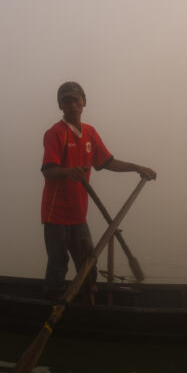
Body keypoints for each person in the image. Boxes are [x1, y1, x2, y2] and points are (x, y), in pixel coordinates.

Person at [40, 81, 156, 299]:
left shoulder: (90, 133)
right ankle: (54, 300)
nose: (72, 105)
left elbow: (107, 162)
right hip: (56, 213)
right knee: (58, 262)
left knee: (88, 261)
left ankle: (89, 298)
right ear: (60, 105)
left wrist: (137, 168)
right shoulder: (55, 133)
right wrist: (68, 171)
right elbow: (48, 170)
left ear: (84, 102)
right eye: (67, 101)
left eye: (76, 100)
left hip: (78, 212)